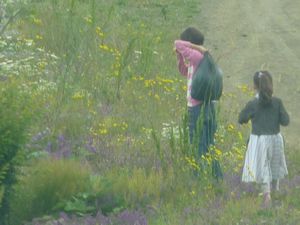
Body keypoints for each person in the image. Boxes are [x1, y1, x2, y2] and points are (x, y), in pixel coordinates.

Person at [174, 27, 223, 179]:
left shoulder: (197, 55)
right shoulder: (199, 60)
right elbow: (184, 71)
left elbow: (178, 43)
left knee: (197, 144)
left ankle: (197, 177)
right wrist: (180, 57)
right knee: (209, 143)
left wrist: (191, 47)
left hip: (197, 108)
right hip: (206, 108)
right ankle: (216, 178)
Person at [238, 70, 289, 208]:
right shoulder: (278, 102)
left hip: (260, 140)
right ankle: (276, 191)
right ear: (271, 84)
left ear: (255, 86)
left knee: (263, 166)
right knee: (274, 165)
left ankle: (267, 195)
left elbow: (241, 118)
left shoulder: (253, 104)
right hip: (276, 139)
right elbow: (286, 121)